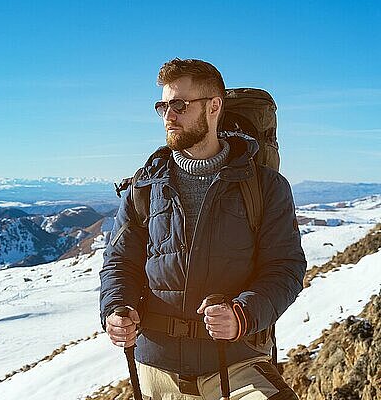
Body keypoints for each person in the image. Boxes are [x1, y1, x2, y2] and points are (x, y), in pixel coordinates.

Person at [99, 58, 306, 399]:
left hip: (236, 362)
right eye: (162, 105)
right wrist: (115, 307)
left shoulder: (266, 186)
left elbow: (286, 267)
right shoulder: (144, 186)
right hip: (156, 369)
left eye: (179, 105)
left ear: (213, 107)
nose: (168, 115)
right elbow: (119, 262)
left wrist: (243, 314)